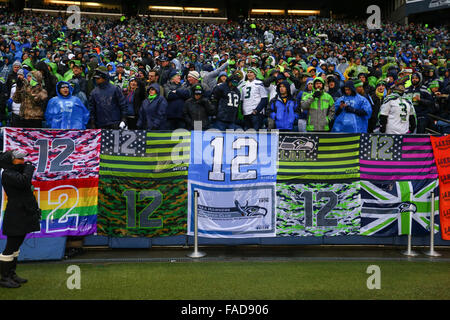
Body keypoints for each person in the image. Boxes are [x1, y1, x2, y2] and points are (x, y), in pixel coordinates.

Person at [0, 150, 41, 288]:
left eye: (23, 159)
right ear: (10, 161)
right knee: (10, 247)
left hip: (23, 213)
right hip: (15, 215)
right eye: (19, 159)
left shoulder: (16, 172)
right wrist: (28, 169)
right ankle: (4, 278)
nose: (23, 161)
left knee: (16, 246)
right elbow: (23, 182)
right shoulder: (7, 173)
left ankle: (11, 274)